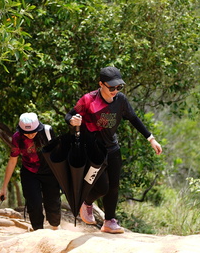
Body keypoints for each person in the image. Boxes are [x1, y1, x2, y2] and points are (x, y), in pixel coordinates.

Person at [65, 66, 162, 234]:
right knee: (102, 187)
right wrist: (72, 121)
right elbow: (69, 115)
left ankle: (109, 221)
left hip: (112, 147)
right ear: (101, 84)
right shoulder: (89, 99)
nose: (115, 91)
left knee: (114, 186)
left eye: (119, 87)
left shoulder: (120, 100)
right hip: (92, 150)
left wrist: (151, 139)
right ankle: (86, 202)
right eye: (111, 87)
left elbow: (133, 118)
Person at [0, 112, 61, 230]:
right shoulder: (17, 138)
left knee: (53, 203)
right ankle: (38, 231)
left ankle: (55, 228)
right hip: (29, 172)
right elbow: (12, 161)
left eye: (33, 131)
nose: (31, 134)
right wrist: (4, 187)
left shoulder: (47, 131)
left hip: (49, 172)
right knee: (34, 204)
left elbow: (58, 154)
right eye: (27, 133)